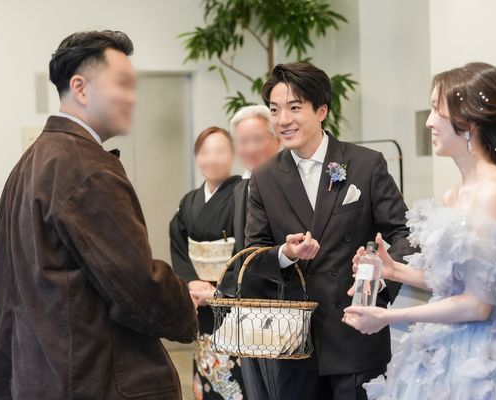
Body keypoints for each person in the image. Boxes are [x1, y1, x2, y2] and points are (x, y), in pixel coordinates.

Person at [343, 62, 496, 399]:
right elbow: (459, 283)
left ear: (468, 122)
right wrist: (394, 269)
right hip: (451, 345)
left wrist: (388, 316)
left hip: (490, 354)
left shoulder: (494, 192)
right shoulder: (455, 193)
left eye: (437, 110)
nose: (429, 121)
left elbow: (478, 305)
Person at [0, 30, 198, 400]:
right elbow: (136, 286)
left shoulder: (29, 164)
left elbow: (5, 299)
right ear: (80, 88)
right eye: (123, 84)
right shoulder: (86, 167)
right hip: (92, 379)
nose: (133, 98)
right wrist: (185, 302)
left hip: (41, 378)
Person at [244, 62, 414, 400]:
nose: (283, 120)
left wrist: (380, 280)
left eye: (294, 108)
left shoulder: (365, 164)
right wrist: (285, 254)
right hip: (295, 342)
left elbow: (405, 234)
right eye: (274, 110)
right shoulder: (264, 177)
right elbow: (253, 254)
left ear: (321, 111)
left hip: (356, 334)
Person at [169, 127, 244, 400]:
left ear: (232, 154)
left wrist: (219, 290)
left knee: (236, 375)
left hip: (232, 299)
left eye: (219, 151)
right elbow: (179, 245)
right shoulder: (188, 201)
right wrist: (192, 282)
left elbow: (247, 248)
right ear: (196, 157)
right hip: (200, 299)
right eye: (204, 152)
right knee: (206, 366)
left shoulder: (243, 194)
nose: (211, 158)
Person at [217, 105, 282, 399]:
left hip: (281, 309)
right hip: (248, 310)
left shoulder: (286, 182)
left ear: (277, 139)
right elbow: (241, 252)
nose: (250, 148)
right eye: (243, 141)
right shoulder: (240, 187)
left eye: (257, 139)